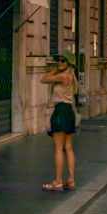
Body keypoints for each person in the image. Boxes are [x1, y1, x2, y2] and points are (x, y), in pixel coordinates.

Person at [41, 50, 79, 191]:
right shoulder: (71, 75)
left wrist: (55, 71)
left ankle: (57, 181)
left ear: (69, 62)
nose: (59, 62)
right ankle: (71, 179)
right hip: (69, 112)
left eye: (63, 60)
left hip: (61, 111)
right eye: (59, 60)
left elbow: (44, 79)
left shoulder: (63, 76)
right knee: (68, 147)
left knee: (58, 148)